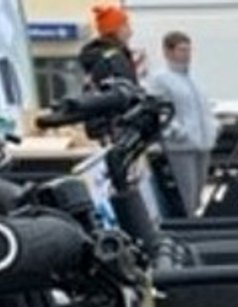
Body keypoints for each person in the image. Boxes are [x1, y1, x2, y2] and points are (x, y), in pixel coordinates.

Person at [147, 31, 222, 216]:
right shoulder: (161, 79)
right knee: (186, 193)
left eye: (188, 50)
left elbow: (204, 107)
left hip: (203, 143)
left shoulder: (194, 79)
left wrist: (214, 125)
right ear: (168, 52)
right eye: (181, 50)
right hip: (180, 146)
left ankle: (195, 218)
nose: (187, 54)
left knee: (197, 192)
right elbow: (159, 111)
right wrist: (177, 132)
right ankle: (189, 225)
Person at [79, 5, 140, 92]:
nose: (130, 32)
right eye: (126, 26)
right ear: (115, 31)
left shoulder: (96, 56)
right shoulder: (114, 59)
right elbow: (127, 92)